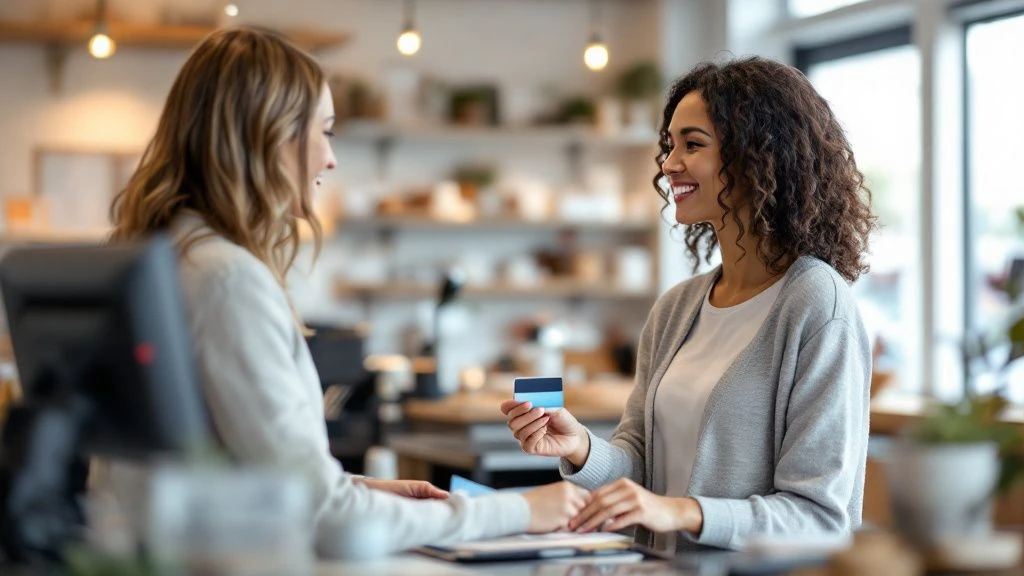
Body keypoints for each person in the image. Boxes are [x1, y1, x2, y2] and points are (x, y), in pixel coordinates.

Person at [103, 26, 587, 555]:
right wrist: (518, 510)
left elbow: (236, 476)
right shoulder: (228, 280)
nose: (331, 160)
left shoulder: (167, 258)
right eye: (326, 131)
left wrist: (360, 491)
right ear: (273, 136)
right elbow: (323, 518)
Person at [502, 56, 876, 553]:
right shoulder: (678, 308)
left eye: (693, 145)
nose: (669, 163)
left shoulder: (817, 305)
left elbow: (820, 517)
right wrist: (580, 447)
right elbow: (640, 463)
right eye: (670, 145)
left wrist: (682, 510)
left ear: (757, 155)